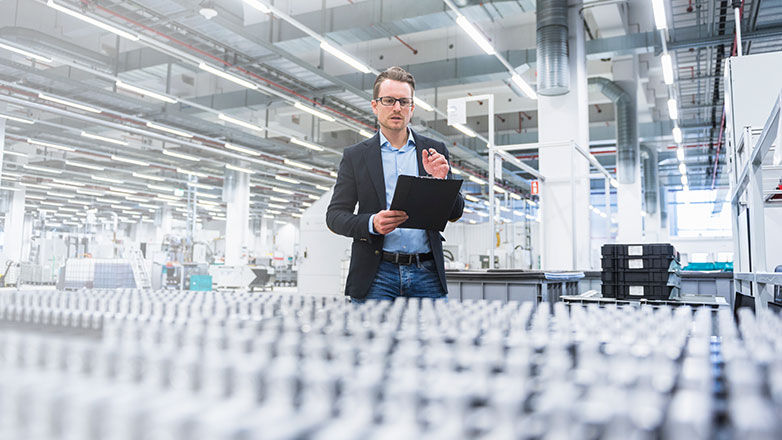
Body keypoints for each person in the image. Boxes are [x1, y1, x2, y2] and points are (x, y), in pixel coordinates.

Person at [326, 66, 464, 302]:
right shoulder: (356, 156)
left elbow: (455, 213)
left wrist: (441, 182)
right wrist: (372, 223)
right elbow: (335, 216)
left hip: (427, 273)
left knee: (434, 339)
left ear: (412, 108)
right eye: (389, 100)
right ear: (375, 105)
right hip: (376, 273)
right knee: (373, 339)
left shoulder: (434, 151)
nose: (397, 108)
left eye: (403, 101)